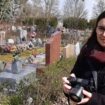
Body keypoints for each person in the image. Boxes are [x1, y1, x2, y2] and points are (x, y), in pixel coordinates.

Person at [62, 11, 105, 105]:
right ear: (96, 29)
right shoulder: (86, 51)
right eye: (101, 28)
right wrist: (68, 88)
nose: (104, 34)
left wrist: (94, 100)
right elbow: (75, 74)